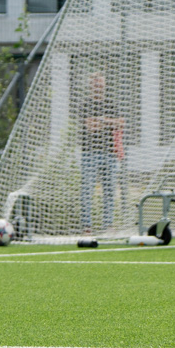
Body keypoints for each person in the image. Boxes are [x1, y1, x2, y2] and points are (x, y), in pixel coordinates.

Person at [80, 71, 124, 234]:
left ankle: (108, 225)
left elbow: (121, 123)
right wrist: (108, 122)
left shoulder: (111, 103)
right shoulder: (85, 104)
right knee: (87, 189)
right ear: (90, 85)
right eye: (95, 82)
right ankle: (86, 226)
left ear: (104, 84)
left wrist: (102, 120)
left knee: (109, 190)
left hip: (109, 153)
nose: (98, 85)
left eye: (100, 82)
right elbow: (90, 126)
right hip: (90, 153)